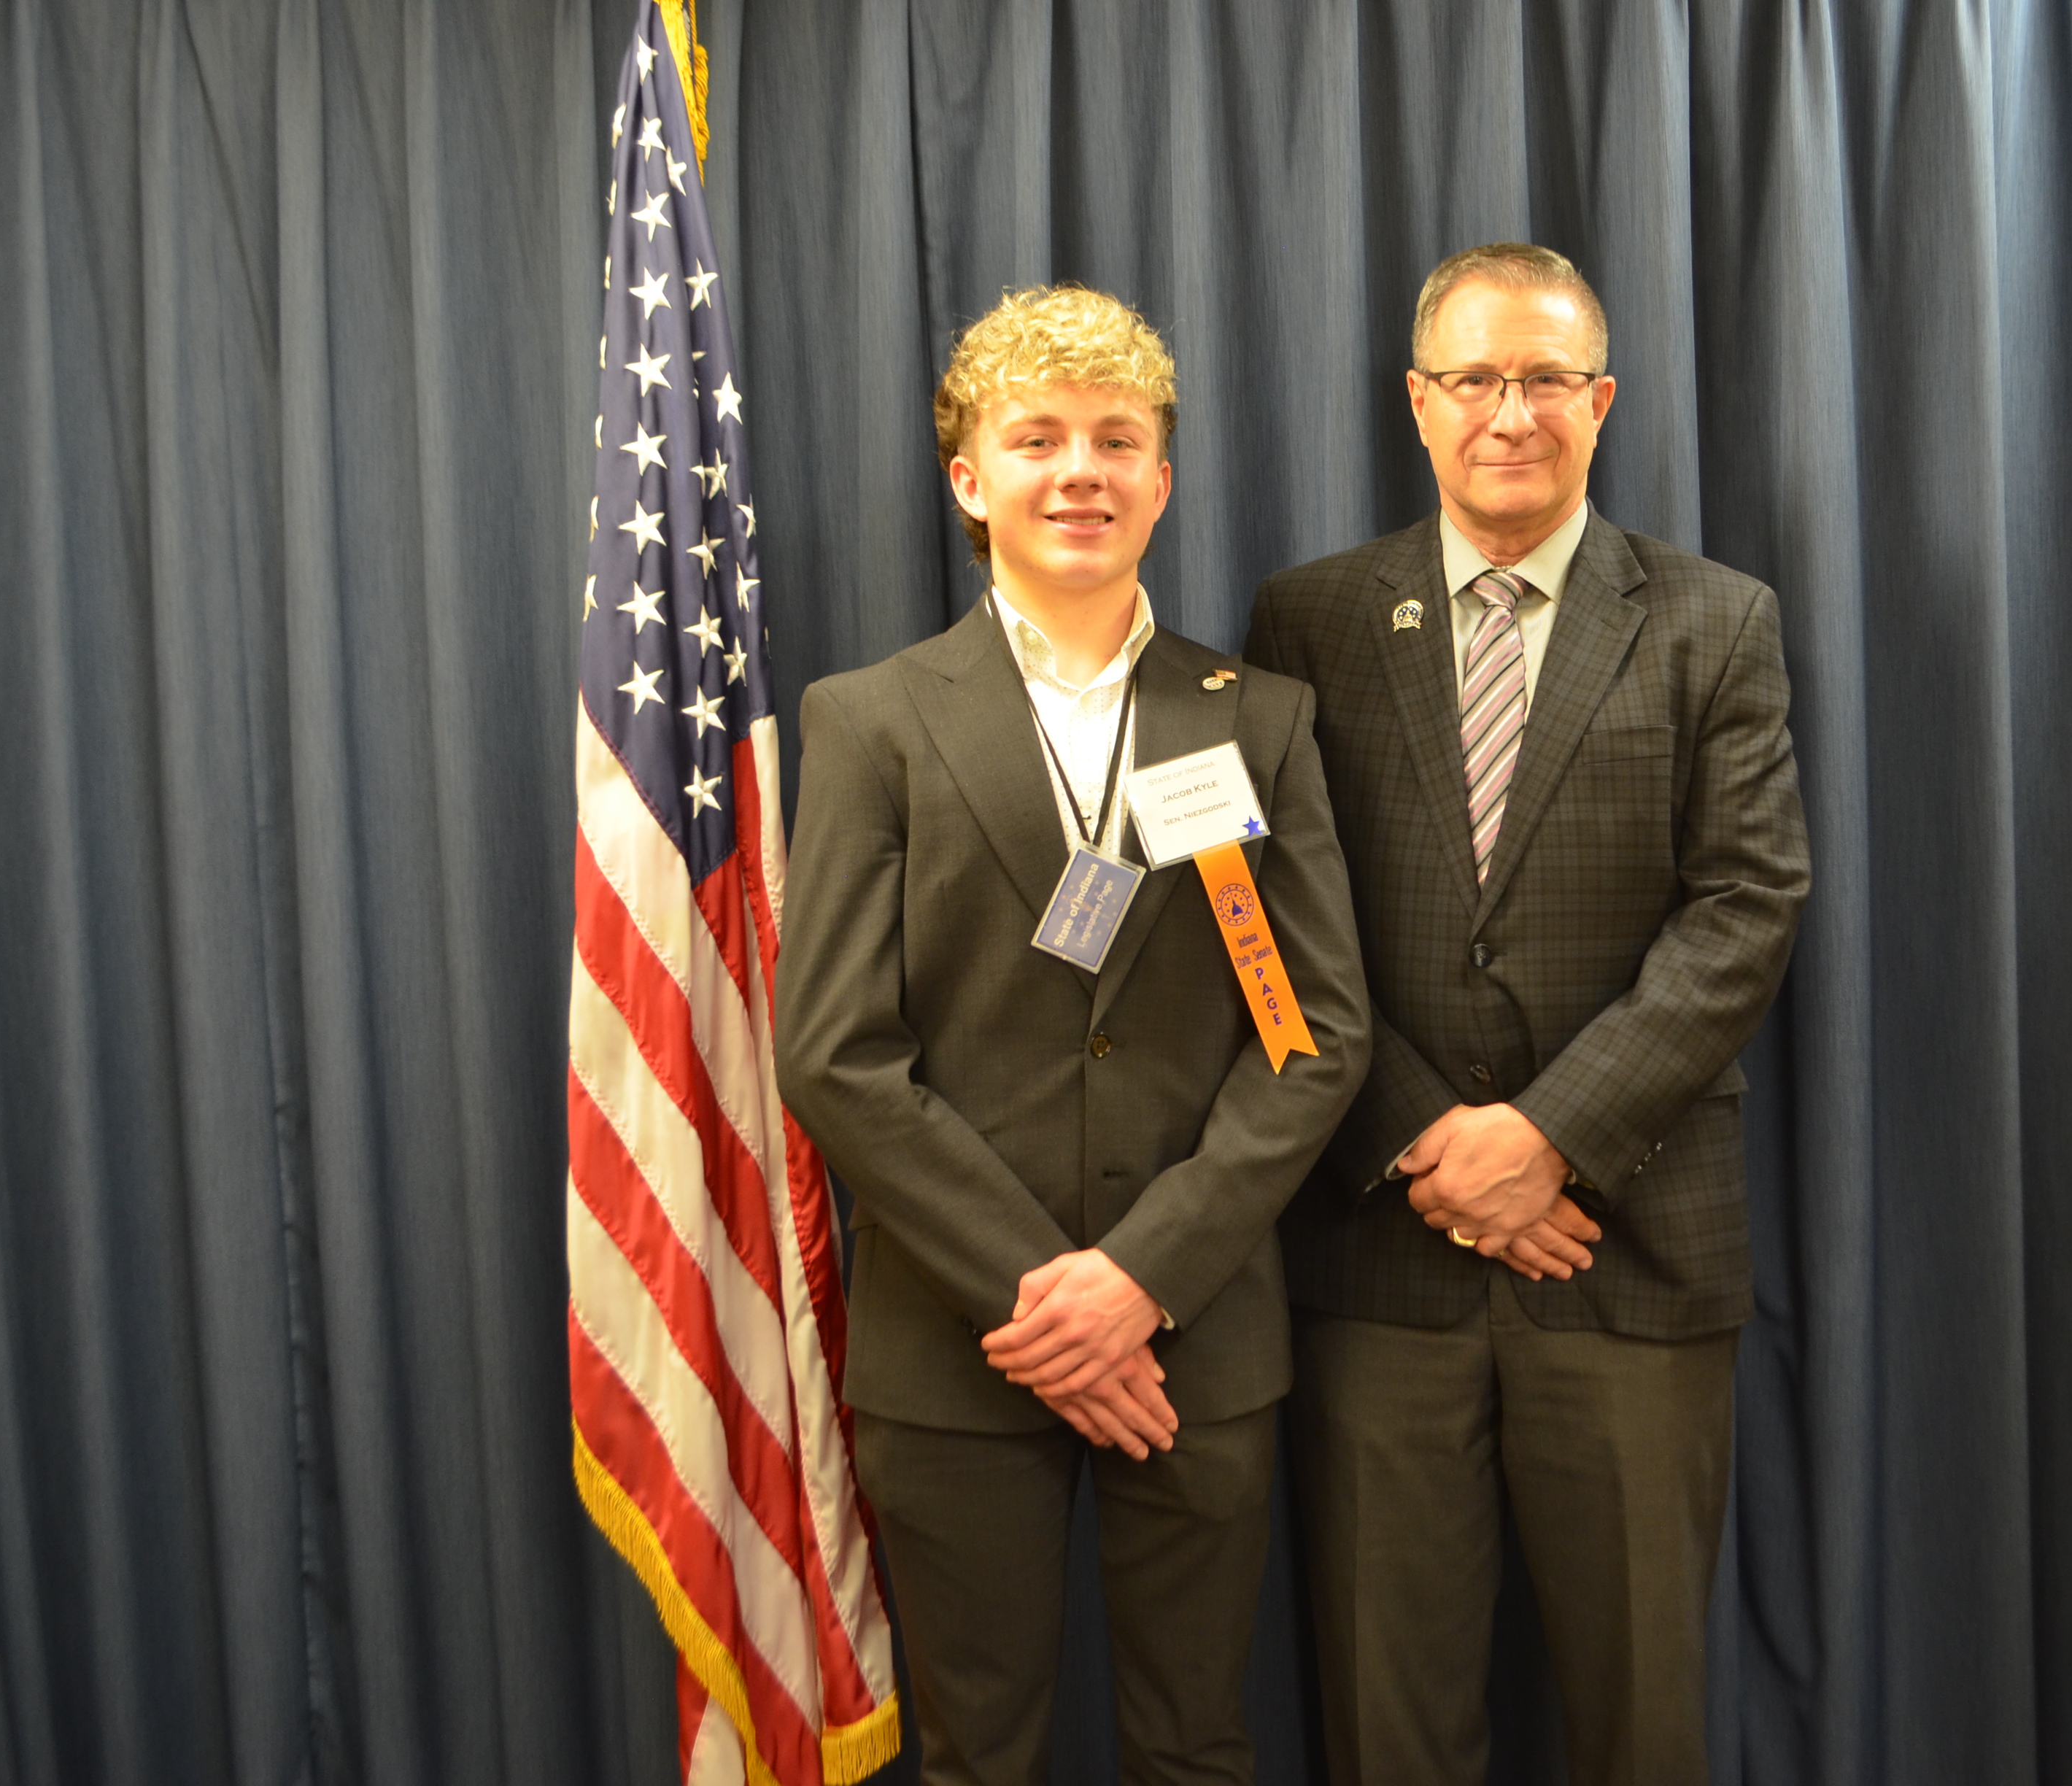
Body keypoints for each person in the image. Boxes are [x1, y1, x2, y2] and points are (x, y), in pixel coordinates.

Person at [774, 285, 1370, 1785]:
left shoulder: (1261, 720)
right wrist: (1049, 1301)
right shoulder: (870, 721)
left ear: (1162, 481)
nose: (1080, 471)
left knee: (1198, 1747)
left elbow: (1313, 1037)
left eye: (1115, 440)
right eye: (1036, 439)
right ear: (969, 480)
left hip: (1197, 1337)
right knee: (981, 1755)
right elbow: (836, 1052)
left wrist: (1143, 1279)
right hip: (959, 1343)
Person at [1244, 243, 1810, 1786]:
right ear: (1418, 403)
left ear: (1601, 401)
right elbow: (1273, 922)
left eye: (1547, 378)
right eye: (1476, 379)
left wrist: (1549, 1139)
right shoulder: (1307, 619)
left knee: (1643, 1724)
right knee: (1390, 1727)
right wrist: (1430, 1143)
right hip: (1381, 1255)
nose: (1513, 413)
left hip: (1630, 1251)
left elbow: (1747, 907)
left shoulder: (1715, 620)